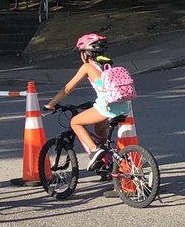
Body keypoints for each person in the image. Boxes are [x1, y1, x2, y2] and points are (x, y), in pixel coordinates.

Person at [44, 34, 130, 171]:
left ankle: (95, 150)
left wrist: (51, 103)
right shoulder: (108, 65)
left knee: (75, 122)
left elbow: (68, 89)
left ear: (85, 54)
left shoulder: (87, 67)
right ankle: (106, 161)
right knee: (99, 128)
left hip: (107, 107)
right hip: (123, 105)